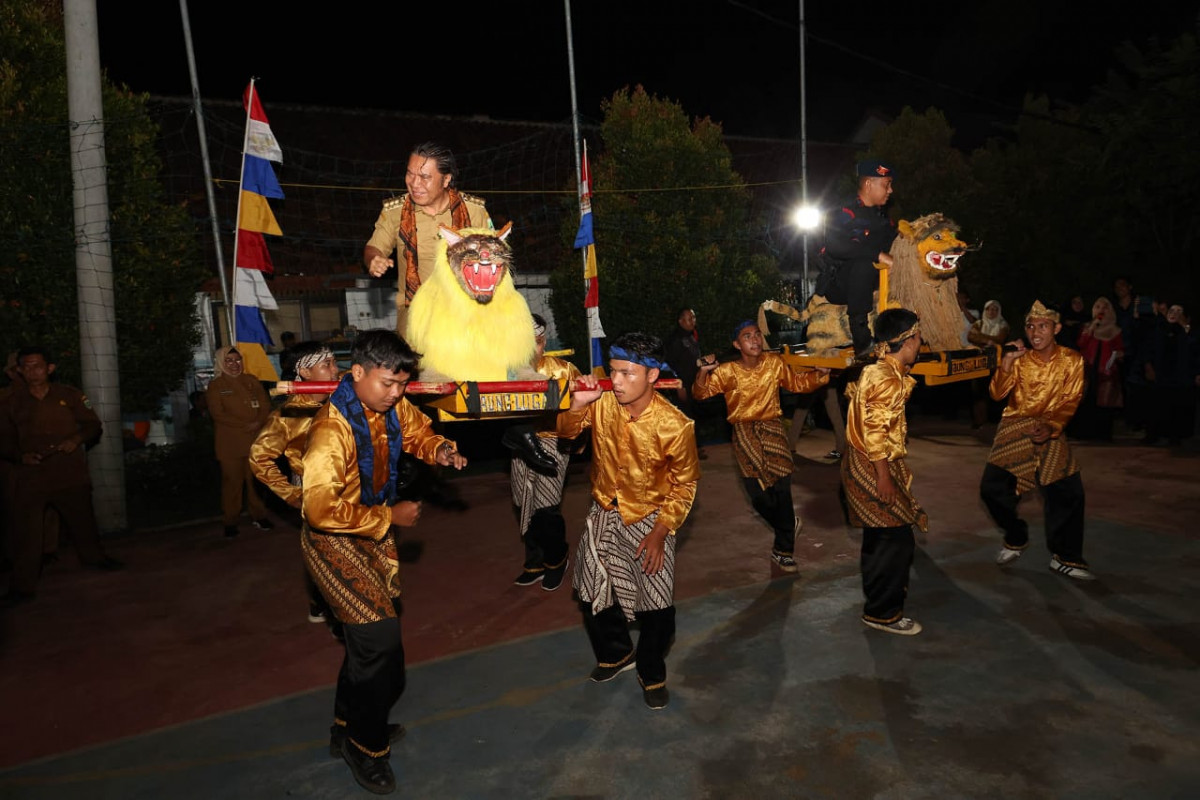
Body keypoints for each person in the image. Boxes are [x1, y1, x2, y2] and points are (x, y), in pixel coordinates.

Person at [301, 329, 467, 795]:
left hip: (372, 536)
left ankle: (345, 726)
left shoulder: (389, 404)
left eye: (401, 385)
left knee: (367, 645)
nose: (396, 394)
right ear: (357, 374)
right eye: (387, 384)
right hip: (333, 542)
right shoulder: (329, 432)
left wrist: (441, 450)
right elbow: (317, 510)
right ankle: (365, 746)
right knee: (380, 644)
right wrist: (390, 515)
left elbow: (416, 432)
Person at [557, 332, 700, 711]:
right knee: (590, 593)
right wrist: (576, 406)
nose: (616, 382)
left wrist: (658, 534)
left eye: (626, 373)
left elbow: (685, 487)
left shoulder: (676, 426)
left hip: (651, 518)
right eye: (613, 372)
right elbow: (565, 435)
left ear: (653, 375)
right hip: (603, 511)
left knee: (658, 609)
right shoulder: (602, 403)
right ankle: (617, 654)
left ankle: (651, 672)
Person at [693, 320, 830, 573]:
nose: (755, 340)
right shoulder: (727, 371)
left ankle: (784, 550)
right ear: (737, 344)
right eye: (747, 336)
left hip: (774, 429)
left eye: (757, 335)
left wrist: (819, 376)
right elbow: (700, 394)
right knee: (758, 496)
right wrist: (703, 371)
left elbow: (797, 384)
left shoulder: (774, 363)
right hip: (744, 433)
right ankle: (787, 525)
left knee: (782, 489)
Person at [0, 346, 123, 607]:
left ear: (50, 368)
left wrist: (76, 439)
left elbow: (93, 424)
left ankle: (95, 558)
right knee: (26, 534)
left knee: (83, 520)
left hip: (69, 471)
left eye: (38, 365)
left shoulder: (69, 395)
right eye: (27, 367)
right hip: (30, 476)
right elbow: (4, 439)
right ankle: (22, 586)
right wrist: (19, 456)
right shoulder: (10, 403)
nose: (33, 371)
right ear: (19, 371)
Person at [983, 301, 1093, 580]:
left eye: (1042, 326)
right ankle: (1015, 536)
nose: (1035, 332)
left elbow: (1071, 399)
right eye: (1030, 326)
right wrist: (1006, 364)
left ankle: (1065, 557)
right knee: (992, 490)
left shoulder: (1072, 360)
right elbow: (996, 395)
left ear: (1056, 328)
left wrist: (1052, 426)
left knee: (1068, 492)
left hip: (1050, 428)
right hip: (1015, 427)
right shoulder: (1019, 359)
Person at [841, 309, 928, 636]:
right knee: (892, 539)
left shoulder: (877, 370)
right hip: (871, 463)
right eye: (918, 337)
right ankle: (882, 613)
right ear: (907, 341)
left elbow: (858, 400)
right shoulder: (887, 379)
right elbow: (876, 431)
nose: (921, 343)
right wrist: (883, 476)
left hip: (866, 460)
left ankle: (883, 601)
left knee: (885, 537)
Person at [248, 341, 341, 626]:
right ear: (304, 371)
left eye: (334, 362)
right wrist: (292, 495)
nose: (335, 369)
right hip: (314, 494)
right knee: (326, 554)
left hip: (353, 489)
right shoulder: (288, 414)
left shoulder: (344, 399)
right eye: (326, 365)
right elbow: (259, 457)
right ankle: (323, 603)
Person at [363, 142, 492, 337]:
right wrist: (374, 260)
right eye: (410, 174)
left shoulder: (474, 212)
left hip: (467, 319)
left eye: (424, 177)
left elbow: (497, 258)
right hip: (416, 321)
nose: (414, 184)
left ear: (446, 179)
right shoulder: (394, 212)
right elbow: (373, 248)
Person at [510, 314, 582, 590]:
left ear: (544, 341)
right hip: (519, 443)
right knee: (524, 504)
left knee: (547, 508)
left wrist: (574, 440)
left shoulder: (563, 369)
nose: (533, 348)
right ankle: (534, 563)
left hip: (553, 440)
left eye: (538, 342)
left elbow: (581, 407)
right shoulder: (507, 370)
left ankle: (557, 559)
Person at [815, 159, 899, 356]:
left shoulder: (883, 219)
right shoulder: (844, 211)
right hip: (840, 285)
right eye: (886, 185)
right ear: (869, 184)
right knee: (864, 262)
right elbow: (835, 246)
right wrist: (878, 255)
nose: (891, 191)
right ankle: (861, 335)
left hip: (873, 282)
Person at [206, 346, 273, 538]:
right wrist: (247, 424)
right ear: (220, 363)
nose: (234, 365)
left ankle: (259, 516)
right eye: (229, 361)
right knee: (232, 484)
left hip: (255, 440)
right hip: (231, 443)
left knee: (256, 482)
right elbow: (218, 414)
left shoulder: (251, 380)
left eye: (237, 360)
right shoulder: (216, 386)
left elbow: (265, 404)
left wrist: (258, 422)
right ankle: (230, 520)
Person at [1072, 297, 1125, 441]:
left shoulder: (1116, 330)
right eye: (1098, 306)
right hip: (1088, 368)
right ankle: (1084, 433)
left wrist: (1119, 354)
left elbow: (1120, 348)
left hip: (1106, 370)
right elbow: (1081, 344)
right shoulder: (1087, 327)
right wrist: (1091, 329)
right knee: (1086, 400)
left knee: (1104, 402)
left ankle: (1102, 435)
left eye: (1105, 307)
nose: (1101, 310)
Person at [661, 306, 708, 459]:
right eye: (688, 319)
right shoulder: (675, 339)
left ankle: (695, 447)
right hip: (681, 385)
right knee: (683, 417)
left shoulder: (692, 336)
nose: (692, 321)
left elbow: (693, 361)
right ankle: (684, 450)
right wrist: (678, 384)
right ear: (680, 321)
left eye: (693, 318)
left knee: (694, 415)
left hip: (694, 383)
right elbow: (667, 365)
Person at [967, 300, 1011, 428]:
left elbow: (1000, 339)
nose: (991, 312)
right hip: (978, 362)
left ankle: (992, 421)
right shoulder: (979, 323)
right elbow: (971, 337)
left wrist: (981, 337)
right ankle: (978, 420)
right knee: (977, 392)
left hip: (995, 363)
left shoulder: (1003, 325)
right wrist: (989, 340)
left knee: (993, 391)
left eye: (995, 309)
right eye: (989, 309)